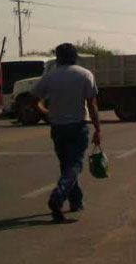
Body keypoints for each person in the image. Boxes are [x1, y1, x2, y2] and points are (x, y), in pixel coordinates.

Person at [32, 43, 102, 223]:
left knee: (66, 165)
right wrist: (98, 128)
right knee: (75, 165)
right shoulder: (85, 74)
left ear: (58, 58)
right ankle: (58, 197)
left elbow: (35, 100)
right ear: (75, 57)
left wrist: (47, 112)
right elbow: (92, 105)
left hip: (57, 127)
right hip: (78, 126)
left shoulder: (50, 76)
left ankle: (76, 201)